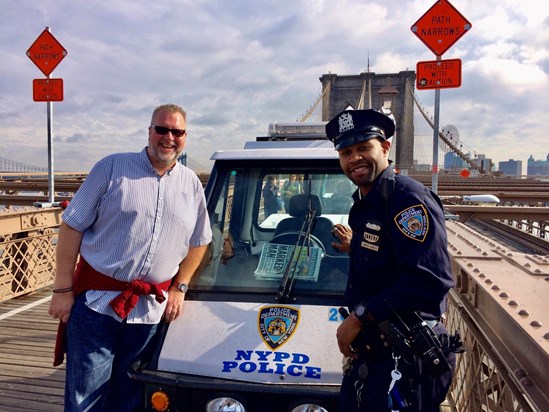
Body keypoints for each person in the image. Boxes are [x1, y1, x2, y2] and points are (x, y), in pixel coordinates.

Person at [48, 103, 212, 412]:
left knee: (131, 398)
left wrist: (180, 287)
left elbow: (200, 241)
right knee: (86, 398)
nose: (168, 137)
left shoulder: (191, 183)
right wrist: (62, 289)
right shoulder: (111, 168)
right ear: (150, 131)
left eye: (177, 132)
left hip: (150, 311)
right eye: (162, 129)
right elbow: (72, 225)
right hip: (97, 304)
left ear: (185, 137)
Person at [326, 109, 460, 411]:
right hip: (376, 354)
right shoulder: (369, 201)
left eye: (364, 148)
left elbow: (429, 281)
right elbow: (389, 253)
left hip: (406, 359)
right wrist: (356, 246)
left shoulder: (407, 200)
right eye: (346, 152)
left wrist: (358, 317)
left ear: (385, 147)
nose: (355, 158)